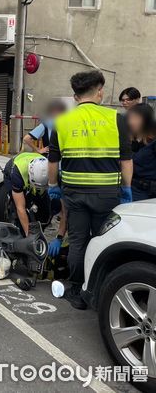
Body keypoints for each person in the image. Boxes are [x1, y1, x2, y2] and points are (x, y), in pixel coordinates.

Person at [48, 70, 133, 310]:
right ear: (99, 91)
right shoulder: (115, 118)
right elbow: (126, 159)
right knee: (103, 241)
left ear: (75, 96)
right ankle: (101, 290)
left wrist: (53, 186)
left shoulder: (62, 122)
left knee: (77, 242)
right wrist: (126, 188)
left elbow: (52, 161)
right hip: (107, 194)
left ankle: (76, 290)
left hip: (73, 194)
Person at [3, 153, 67, 248]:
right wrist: (30, 237)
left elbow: (65, 210)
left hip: (38, 177)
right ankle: (19, 234)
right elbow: (21, 208)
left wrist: (59, 237)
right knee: (20, 212)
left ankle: (42, 225)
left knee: (49, 206)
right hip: (13, 171)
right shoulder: (17, 175)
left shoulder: (55, 173)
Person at [127, 104, 156, 201]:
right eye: (130, 118)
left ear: (146, 120)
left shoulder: (152, 141)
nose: (131, 122)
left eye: (135, 118)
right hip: (135, 189)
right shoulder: (130, 139)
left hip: (150, 190)